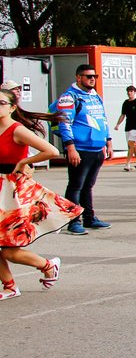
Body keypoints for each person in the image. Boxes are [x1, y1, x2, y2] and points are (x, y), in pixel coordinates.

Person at [0, 89, 82, 301]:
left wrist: (25, 162)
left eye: (1, 102)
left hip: (11, 193)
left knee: (10, 252)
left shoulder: (17, 130)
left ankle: (48, 265)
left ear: (12, 107)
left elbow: (51, 151)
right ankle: (9, 287)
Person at [55, 64, 113, 235]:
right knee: (76, 185)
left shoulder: (95, 97)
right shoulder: (69, 97)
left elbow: (103, 119)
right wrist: (70, 147)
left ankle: (89, 217)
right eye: (88, 76)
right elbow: (64, 123)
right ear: (78, 78)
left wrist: (108, 141)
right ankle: (73, 221)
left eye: (94, 76)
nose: (92, 79)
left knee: (88, 185)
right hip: (80, 148)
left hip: (96, 148)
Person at [115, 86, 136, 172]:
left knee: (131, 144)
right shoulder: (125, 103)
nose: (130, 93)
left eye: (131, 91)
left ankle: (127, 163)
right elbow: (122, 115)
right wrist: (118, 124)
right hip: (128, 126)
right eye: (128, 91)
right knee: (134, 146)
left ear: (134, 92)